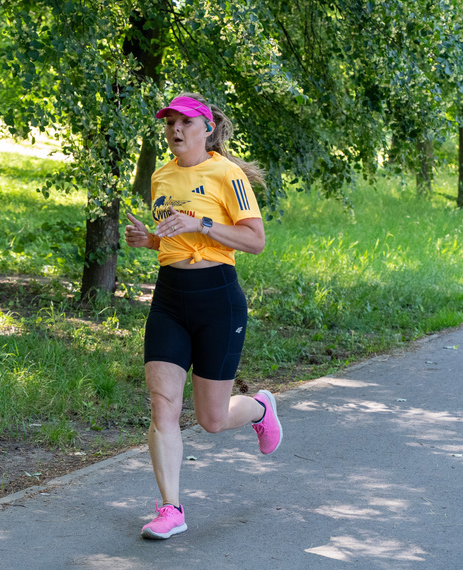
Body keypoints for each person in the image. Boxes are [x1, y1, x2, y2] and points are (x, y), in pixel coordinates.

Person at [125, 93, 283, 540]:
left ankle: (259, 409)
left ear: (207, 128)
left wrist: (202, 225)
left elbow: (255, 241)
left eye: (185, 122)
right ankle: (170, 508)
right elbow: (170, 239)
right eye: (169, 122)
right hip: (170, 300)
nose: (175, 129)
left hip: (218, 301)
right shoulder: (160, 176)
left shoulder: (228, 175)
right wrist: (150, 241)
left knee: (211, 420)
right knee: (163, 406)